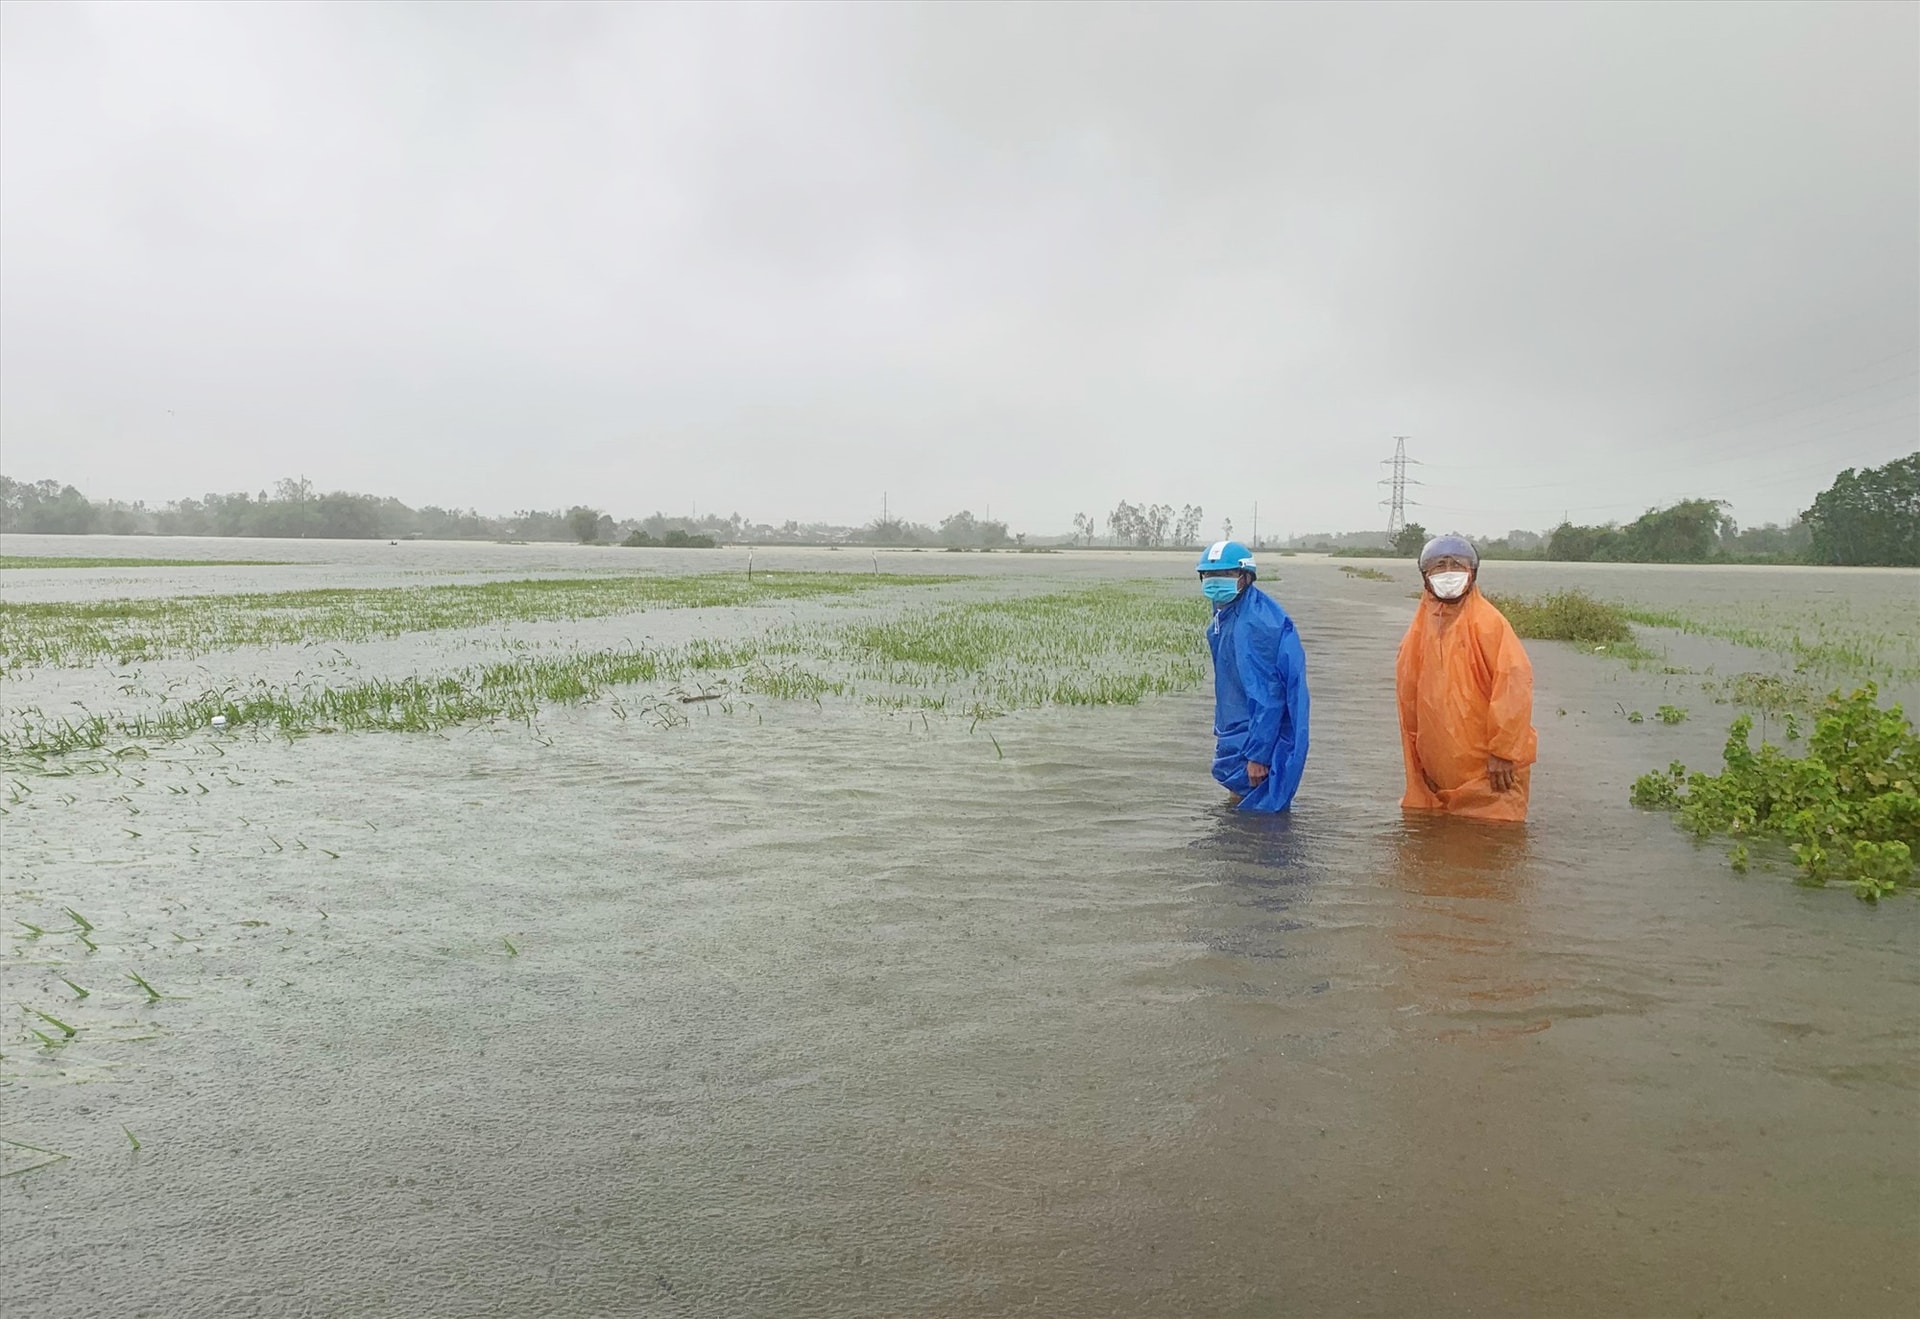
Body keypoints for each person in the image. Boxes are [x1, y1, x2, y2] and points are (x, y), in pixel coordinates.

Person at [1395, 533, 1538, 822]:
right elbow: (1409, 701)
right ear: (1425, 575)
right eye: (1439, 565)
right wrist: (1419, 762)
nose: (1448, 572)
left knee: (1495, 845)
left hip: (1492, 775)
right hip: (1437, 777)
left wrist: (1503, 752)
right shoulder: (1420, 630)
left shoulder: (1489, 624)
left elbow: (1513, 687)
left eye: (1456, 564)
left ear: (1471, 572)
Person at [1197, 540, 1310, 812]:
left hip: (1256, 738)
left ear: (1245, 577)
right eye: (1210, 575)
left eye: (1225, 575)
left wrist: (1258, 755)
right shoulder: (1228, 613)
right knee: (1243, 816)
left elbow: (1267, 696)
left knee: (1257, 815)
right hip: (1239, 729)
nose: (1215, 581)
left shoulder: (1255, 623)